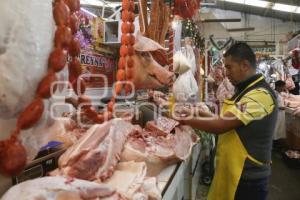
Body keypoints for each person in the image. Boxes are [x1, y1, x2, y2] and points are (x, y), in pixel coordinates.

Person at [174, 42, 278, 200]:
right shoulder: (244, 91)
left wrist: (183, 119)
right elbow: (225, 120)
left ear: (244, 65)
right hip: (233, 172)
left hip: (247, 179)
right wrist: (199, 112)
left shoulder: (260, 95)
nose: (225, 72)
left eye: (229, 67)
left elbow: (221, 126)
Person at [273, 80, 286, 146]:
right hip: (277, 114)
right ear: (278, 86)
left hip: (280, 114)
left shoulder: (278, 93)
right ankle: (274, 145)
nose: (284, 88)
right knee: (276, 129)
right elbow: (271, 105)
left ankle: (276, 144)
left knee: (278, 129)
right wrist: (280, 108)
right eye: (283, 86)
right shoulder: (274, 93)